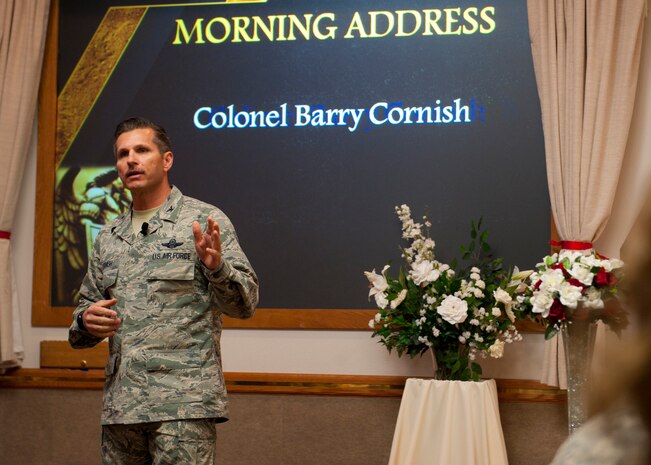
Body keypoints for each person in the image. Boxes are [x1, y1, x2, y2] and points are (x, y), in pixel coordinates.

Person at [68, 117, 259, 465]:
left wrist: (217, 267)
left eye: (141, 150)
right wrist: (85, 320)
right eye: (123, 153)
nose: (131, 160)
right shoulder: (109, 236)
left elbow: (244, 304)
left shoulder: (203, 221)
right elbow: (82, 319)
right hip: (122, 407)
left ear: (166, 160)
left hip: (183, 404)